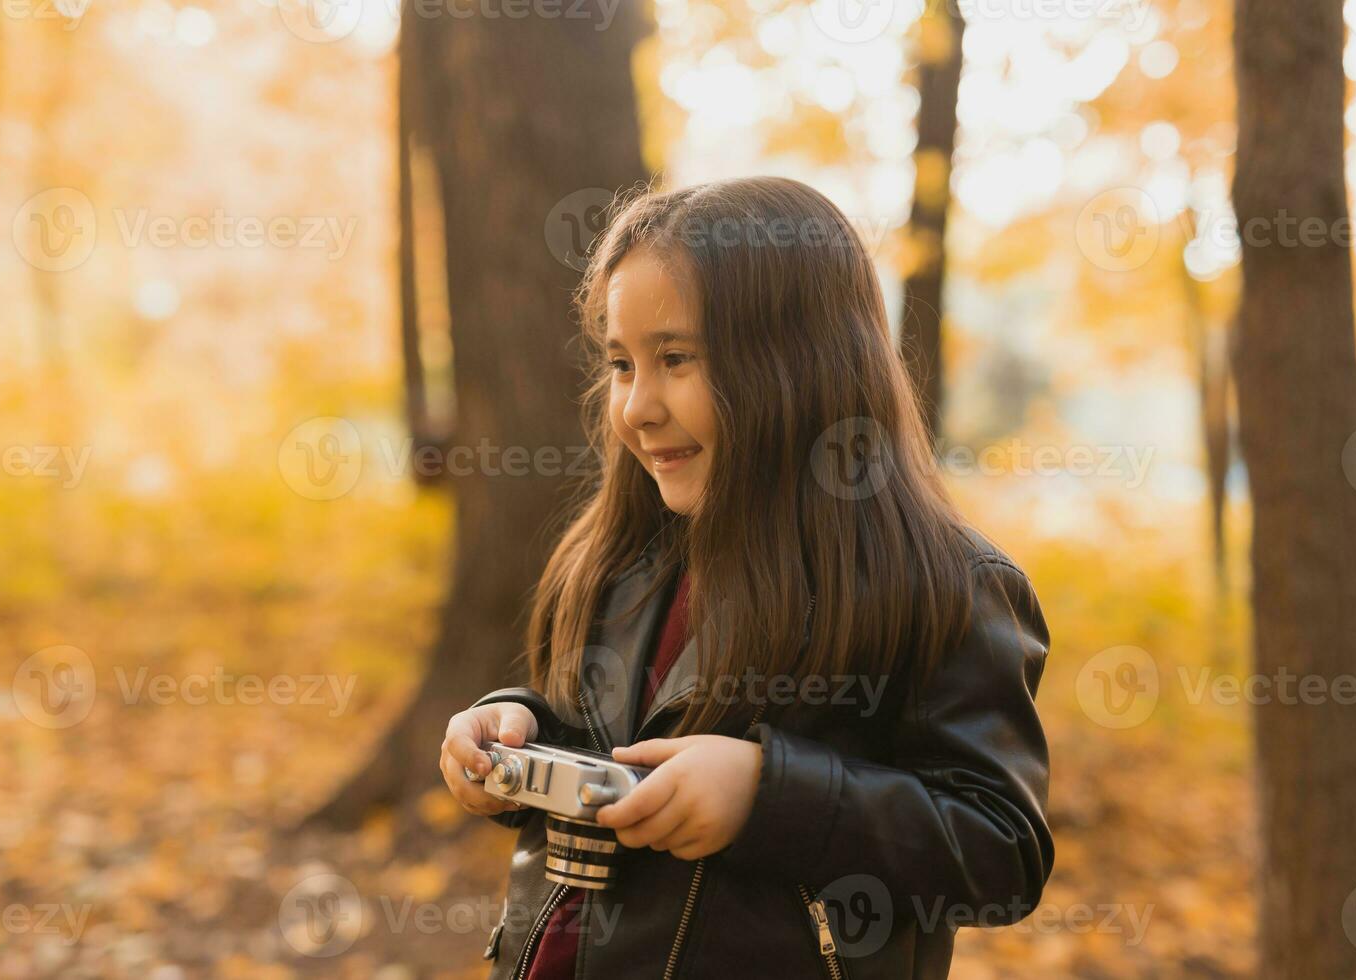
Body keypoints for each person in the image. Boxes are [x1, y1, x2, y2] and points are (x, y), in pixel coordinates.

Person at [437, 175, 1054, 980]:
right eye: (621, 363)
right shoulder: (617, 560)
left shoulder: (944, 587)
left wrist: (771, 794)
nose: (636, 407)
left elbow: (999, 849)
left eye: (676, 359)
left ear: (800, 360)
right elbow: (603, 744)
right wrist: (513, 737)